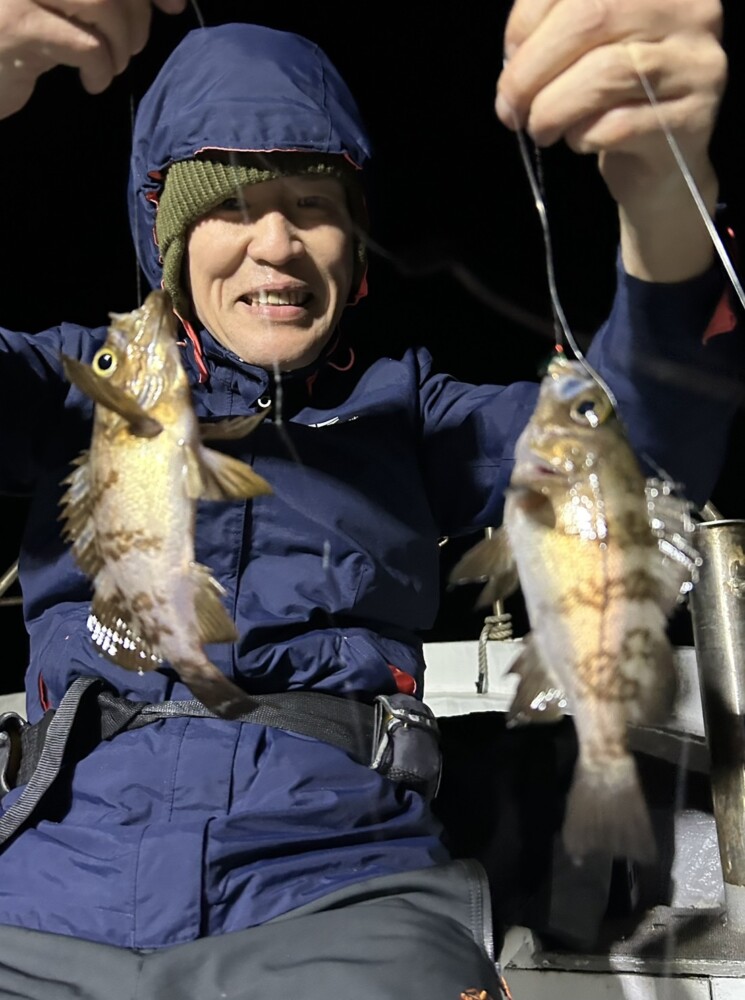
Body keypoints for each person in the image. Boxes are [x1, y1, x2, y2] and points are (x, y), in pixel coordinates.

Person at [0, 1, 741, 997]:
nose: (276, 243)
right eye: (229, 205)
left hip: (349, 896)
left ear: (353, 247)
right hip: (40, 902)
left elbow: (639, 454)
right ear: (165, 238)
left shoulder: (410, 411)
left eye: (312, 203)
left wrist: (665, 192)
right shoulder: (74, 384)